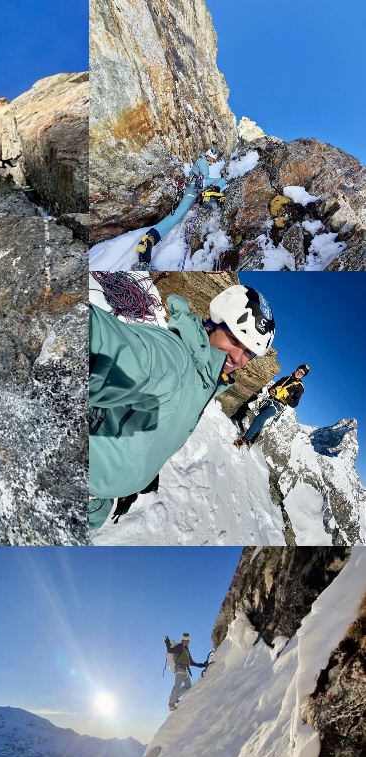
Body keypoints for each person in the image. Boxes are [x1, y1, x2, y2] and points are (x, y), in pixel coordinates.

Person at [89, 283, 275, 530]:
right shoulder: (171, 357)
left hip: (97, 502)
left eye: (248, 352)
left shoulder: (203, 379)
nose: (238, 358)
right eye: (233, 339)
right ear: (214, 325)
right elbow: (106, 345)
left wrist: (140, 472)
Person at [134, 147, 227, 270]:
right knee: (222, 180)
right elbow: (204, 177)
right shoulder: (203, 162)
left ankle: (150, 237)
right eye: (211, 158)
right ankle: (212, 191)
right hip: (197, 186)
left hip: (191, 190)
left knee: (177, 215)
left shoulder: (200, 161)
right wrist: (208, 190)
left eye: (213, 159)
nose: (212, 160)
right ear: (208, 156)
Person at [234, 364, 309, 449]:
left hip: (278, 406)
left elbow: (295, 404)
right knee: (261, 421)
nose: (299, 373)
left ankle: (244, 440)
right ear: (297, 369)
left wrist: (288, 399)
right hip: (269, 400)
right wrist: (271, 391)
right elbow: (272, 387)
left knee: (258, 419)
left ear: (303, 376)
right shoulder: (285, 378)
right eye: (299, 371)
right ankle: (251, 442)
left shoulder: (299, 388)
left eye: (302, 373)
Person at [165, 632, 206, 711]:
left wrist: (201, 665)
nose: (186, 642)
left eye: (187, 641)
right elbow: (170, 650)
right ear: (182, 640)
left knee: (188, 687)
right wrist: (167, 644)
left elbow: (191, 662)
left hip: (185, 670)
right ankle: (171, 704)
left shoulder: (186, 650)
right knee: (177, 685)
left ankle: (174, 696)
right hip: (179, 669)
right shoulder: (179, 647)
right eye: (184, 640)